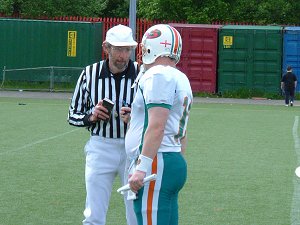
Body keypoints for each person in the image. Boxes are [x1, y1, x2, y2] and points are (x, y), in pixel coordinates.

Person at [121, 24, 193, 225]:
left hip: (156, 161)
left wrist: (142, 167)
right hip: (170, 158)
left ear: (150, 46)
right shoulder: (179, 76)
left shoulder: (158, 74)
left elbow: (157, 125)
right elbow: (177, 126)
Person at [68, 24, 138, 225]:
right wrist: (92, 117)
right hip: (101, 146)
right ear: (106, 47)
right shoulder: (89, 74)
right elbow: (73, 114)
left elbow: (155, 116)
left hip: (132, 148)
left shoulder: (141, 73)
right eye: (118, 49)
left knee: (135, 211)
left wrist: (136, 119)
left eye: (127, 49)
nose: (123, 56)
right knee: (94, 213)